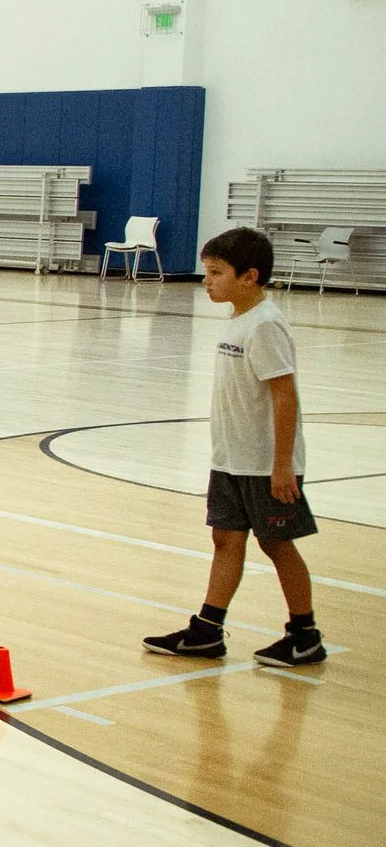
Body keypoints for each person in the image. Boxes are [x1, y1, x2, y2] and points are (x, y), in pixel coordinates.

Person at [144, 227, 326, 667]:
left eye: (216, 273)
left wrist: (282, 465)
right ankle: (207, 630)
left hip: (266, 465)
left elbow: (285, 396)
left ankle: (305, 634)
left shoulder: (265, 326)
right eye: (207, 272)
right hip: (231, 458)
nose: (207, 281)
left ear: (249, 276)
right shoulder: (240, 320)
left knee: (278, 544)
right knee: (226, 539)